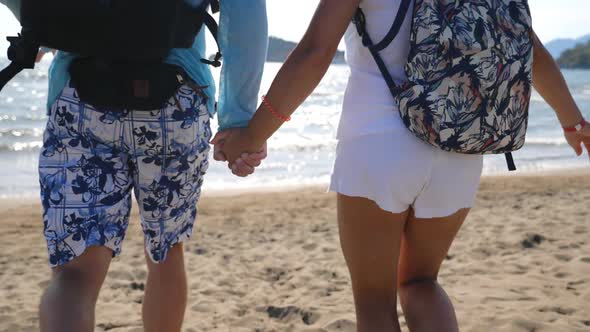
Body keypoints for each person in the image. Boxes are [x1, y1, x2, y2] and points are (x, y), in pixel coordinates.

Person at [214, 0, 590, 331]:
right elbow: (531, 50)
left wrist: (253, 135)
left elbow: (314, 53)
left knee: (375, 302)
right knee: (421, 283)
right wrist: (573, 122)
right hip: (460, 151)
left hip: (379, 146)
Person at [2, 1, 268, 331]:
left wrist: (43, 31)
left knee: (75, 274)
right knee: (165, 253)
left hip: (79, 97)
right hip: (177, 103)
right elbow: (245, 12)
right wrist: (239, 117)